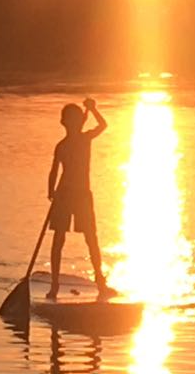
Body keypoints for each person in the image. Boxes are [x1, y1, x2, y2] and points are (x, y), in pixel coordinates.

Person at [46, 97, 116, 301]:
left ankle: (101, 285)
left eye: (77, 120)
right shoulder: (62, 146)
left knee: (91, 239)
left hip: (83, 196)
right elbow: (53, 171)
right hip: (64, 195)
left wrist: (93, 109)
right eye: (71, 121)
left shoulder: (85, 139)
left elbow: (103, 125)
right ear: (64, 123)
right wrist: (51, 192)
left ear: (80, 123)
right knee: (59, 239)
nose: (75, 124)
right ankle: (54, 286)